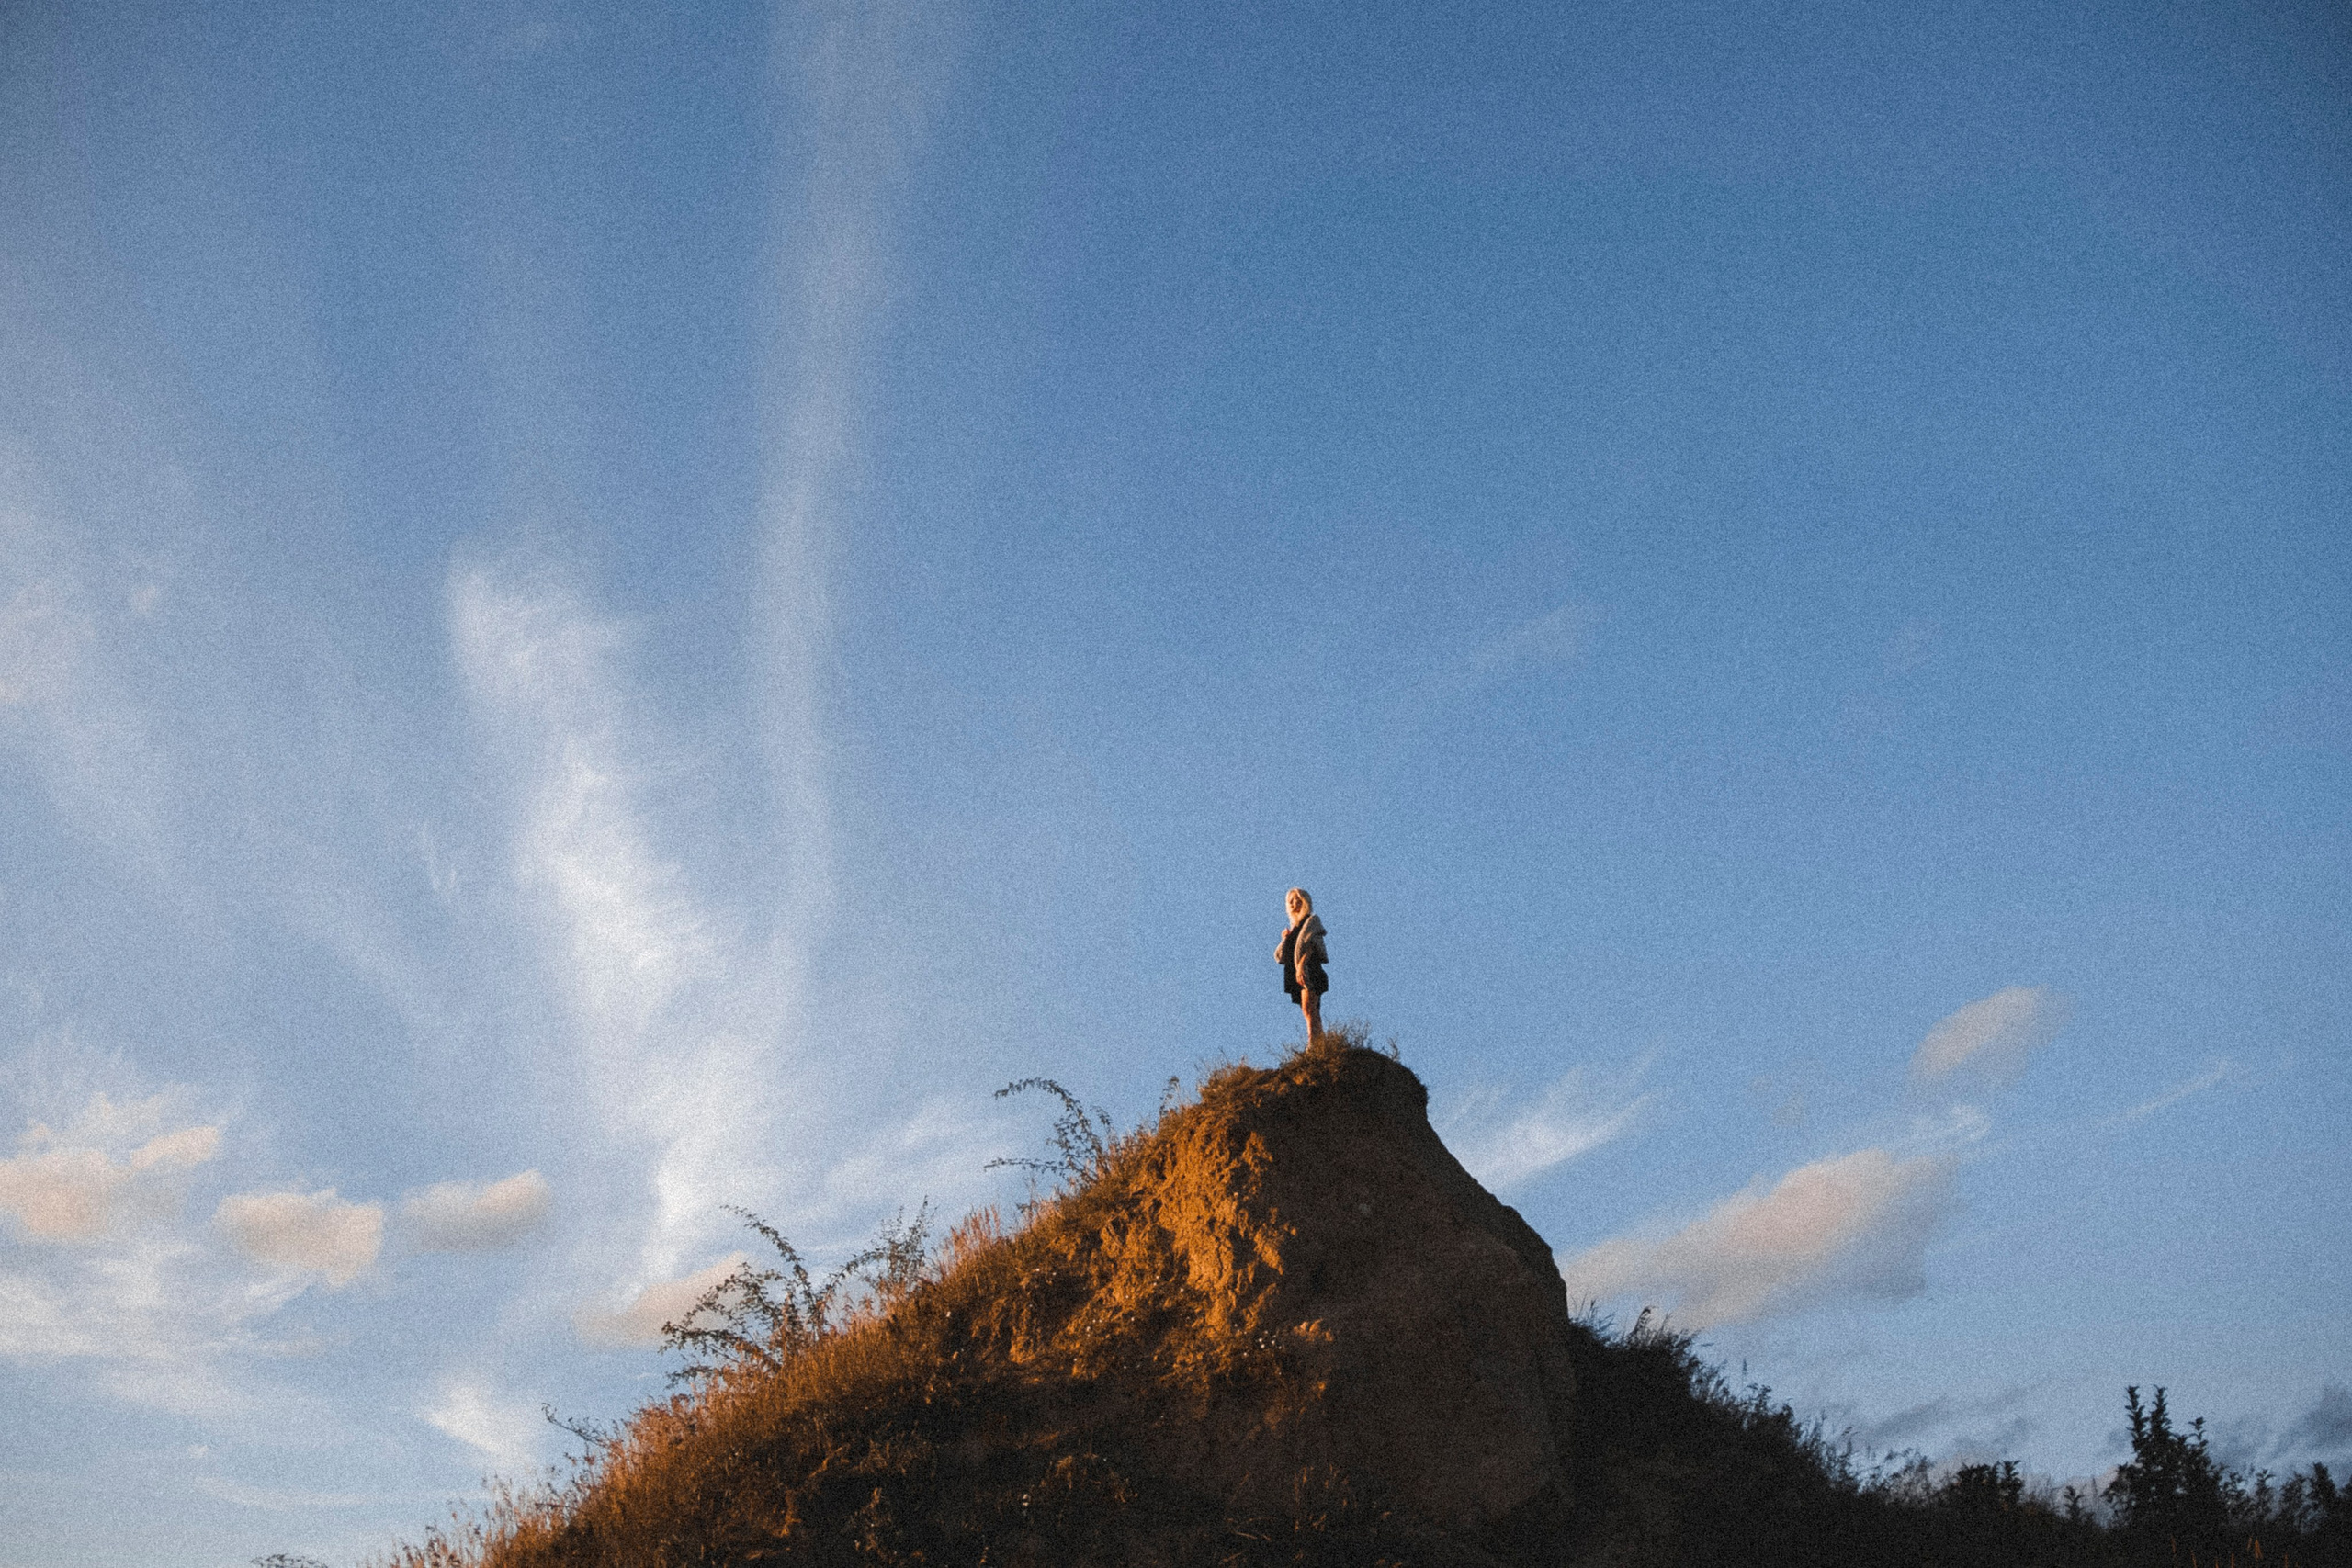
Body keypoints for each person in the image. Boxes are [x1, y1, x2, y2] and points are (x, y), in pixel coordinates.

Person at [1276, 886, 1329, 1038]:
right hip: (1296, 973)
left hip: (1309, 969)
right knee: (1309, 1010)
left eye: (1297, 900)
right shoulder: (1294, 929)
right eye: (1290, 902)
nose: (1293, 904)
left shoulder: (1312, 921)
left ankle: (1313, 1043)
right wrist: (1285, 938)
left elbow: (1312, 945)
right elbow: (1280, 956)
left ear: (1304, 901)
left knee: (1309, 1008)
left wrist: (1301, 965)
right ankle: (1319, 1042)